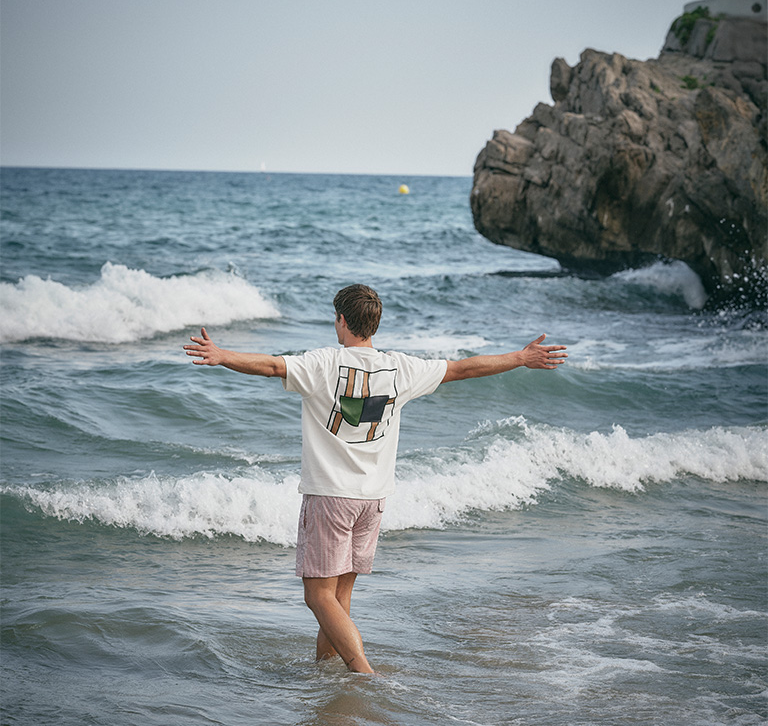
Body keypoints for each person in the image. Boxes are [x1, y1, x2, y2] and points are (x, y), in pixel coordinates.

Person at [184, 284, 567, 674]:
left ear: (342, 320)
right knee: (339, 598)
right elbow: (461, 368)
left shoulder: (324, 364)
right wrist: (520, 358)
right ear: (374, 324)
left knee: (318, 596)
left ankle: (363, 672)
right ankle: (327, 674)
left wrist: (222, 356)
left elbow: (271, 366)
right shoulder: (400, 368)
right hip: (373, 501)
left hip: (331, 497)